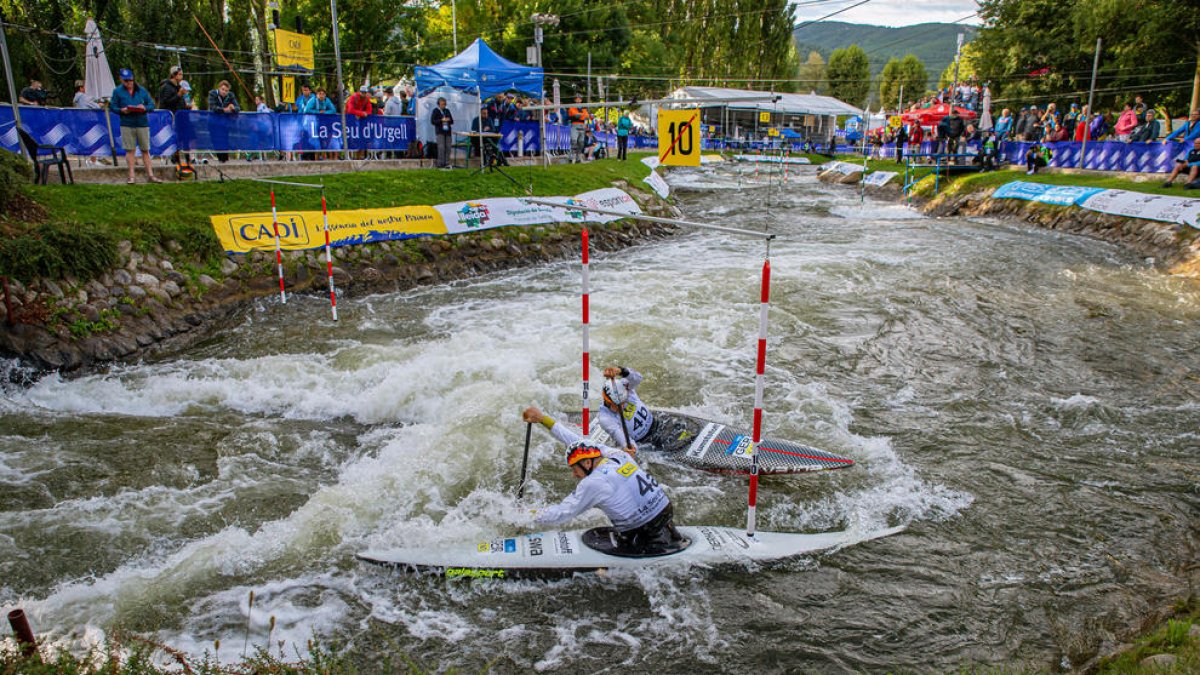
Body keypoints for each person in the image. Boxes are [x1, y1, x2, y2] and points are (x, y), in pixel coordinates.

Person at [521, 405, 682, 555]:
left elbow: (562, 513)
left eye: (574, 468)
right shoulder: (619, 455)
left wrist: (526, 515)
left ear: (586, 462)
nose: (574, 474)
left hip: (641, 530)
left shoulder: (593, 483)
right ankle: (667, 530)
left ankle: (646, 546)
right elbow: (578, 442)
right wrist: (543, 419)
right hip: (666, 511)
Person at [110, 68, 160, 184]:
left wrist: (144, 108)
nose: (129, 83)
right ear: (121, 80)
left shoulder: (142, 91)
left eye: (131, 80)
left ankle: (150, 175)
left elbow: (151, 104)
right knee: (130, 150)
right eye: (126, 81)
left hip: (142, 123)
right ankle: (131, 175)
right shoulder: (117, 92)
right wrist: (122, 110)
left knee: (145, 150)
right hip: (127, 123)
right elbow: (113, 106)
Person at [597, 366, 655, 452]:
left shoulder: (625, 386)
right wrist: (631, 448)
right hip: (644, 443)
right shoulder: (605, 419)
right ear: (607, 401)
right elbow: (622, 437)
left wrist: (621, 371)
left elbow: (638, 378)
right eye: (618, 405)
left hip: (656, 425)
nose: (622, 406)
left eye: (623, 402)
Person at [207, 80, 239, 163]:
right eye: (223, 89)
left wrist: (233, 108)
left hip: (225, 123)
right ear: (219, 88)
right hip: (213, 122)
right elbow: (213, 107)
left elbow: (237, 107)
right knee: (216, 141)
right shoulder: (212, 94)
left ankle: (225, 160)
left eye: (226, 90)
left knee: (225, 140)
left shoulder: (231, 95)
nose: (224, 92)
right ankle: (220, 159)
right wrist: (225, 110)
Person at [431, 97, 454, 169]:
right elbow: (433, 121)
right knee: (441, 148)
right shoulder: (436, 111)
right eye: (442, 104)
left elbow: (452, 121)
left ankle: (447, 163)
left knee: (448, 147)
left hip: (448, 132)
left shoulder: (447, 111)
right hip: (440, 132)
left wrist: (448, 120)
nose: (444, 105)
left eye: (445, 104)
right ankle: (440, 163)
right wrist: (441, 120)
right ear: (439, 104)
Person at [567, 95, 592, 163]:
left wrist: (581, 117)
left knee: (581, 142)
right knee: (574, 140)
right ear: (575, 100)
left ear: (581, 100)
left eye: (579, 99)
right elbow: (570, 116)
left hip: (582, 126)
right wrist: (577, 116)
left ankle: (578, 157)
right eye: (577, 99)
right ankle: (571, 156)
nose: (578, 100)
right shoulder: (571, 108)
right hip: (574, 125)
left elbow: (586, 117)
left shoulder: (584, 109)